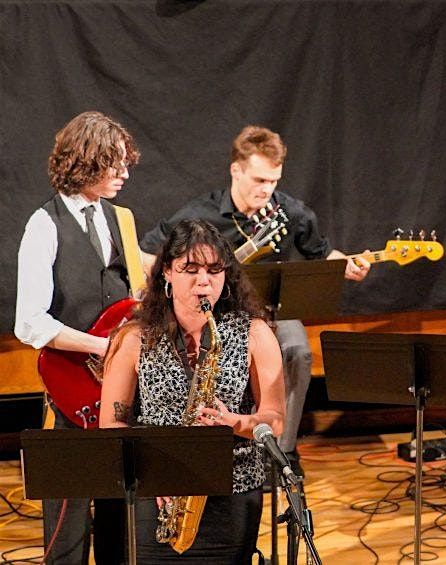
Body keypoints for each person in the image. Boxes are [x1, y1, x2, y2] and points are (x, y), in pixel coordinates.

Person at [139, 125, 370, 474]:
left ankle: (282, 450)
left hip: (273, 310)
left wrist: (349, 265)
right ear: (236, 170)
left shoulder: (291, 213)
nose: (267, 189)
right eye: (260, 180)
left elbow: (322, 254)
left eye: (274, 181)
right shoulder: (200, 215)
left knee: (299, 351)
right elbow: (145, 254)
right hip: (216, 313)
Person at [100, 218, 285, 563]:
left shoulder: (255, 334)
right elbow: (111, 426)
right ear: (167, 272)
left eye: (214, 271)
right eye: (190, 269)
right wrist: (156, 475)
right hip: (159, 494)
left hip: (233, 489)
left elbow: (275, 420)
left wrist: (235, 422)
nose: (204, 281)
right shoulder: (133, 338)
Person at [14, 110, 140, 564]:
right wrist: (103, 347)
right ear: (86, 161)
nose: (125, 173)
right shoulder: (44, 225)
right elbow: (30, 322)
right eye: (115, 163)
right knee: (67, 524)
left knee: (118, 512)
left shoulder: (120, 219)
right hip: (70, 387)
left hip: (117, 388)